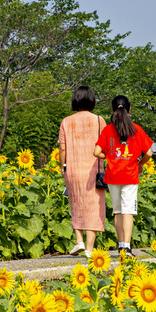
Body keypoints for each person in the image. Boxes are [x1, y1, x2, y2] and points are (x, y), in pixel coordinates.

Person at [94, 95, 153, 258]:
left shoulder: (108, 130)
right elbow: (149, 153)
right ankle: (127, 248)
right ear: (129, 110)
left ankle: (120, 245)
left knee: (118, 211)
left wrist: (111, 156)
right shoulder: (136, 129)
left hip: (113, 176)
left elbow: (96, 152)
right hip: (130, 176)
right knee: (128, 211)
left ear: (112, 110)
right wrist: (140, 163)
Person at [58, 86, 106, 259]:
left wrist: (63, 167)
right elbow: (105, 145)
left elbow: (62, 149)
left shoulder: (66, 121)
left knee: (75, 203)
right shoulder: (99, 120)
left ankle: (79, 241)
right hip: (95, 170)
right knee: (94, 207)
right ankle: (90, 248)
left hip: (72, 169)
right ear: (92, 100)